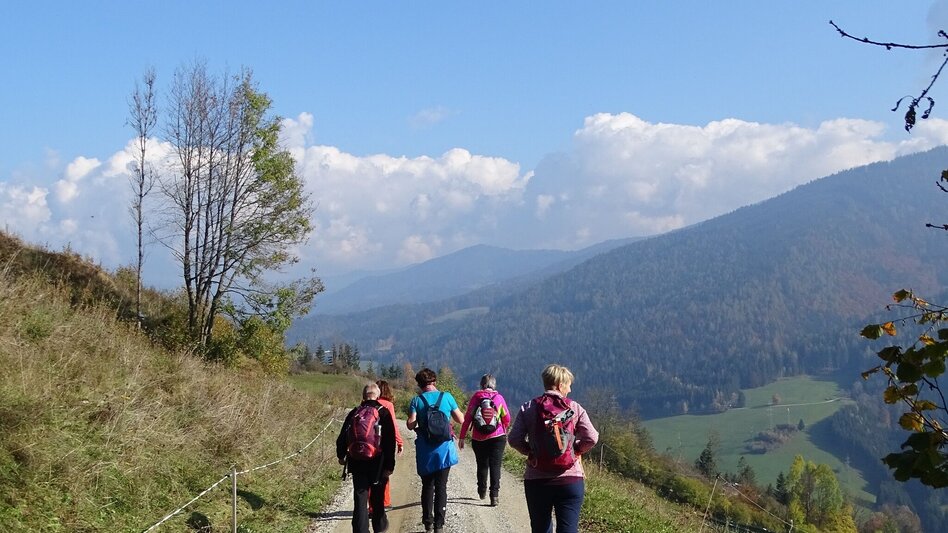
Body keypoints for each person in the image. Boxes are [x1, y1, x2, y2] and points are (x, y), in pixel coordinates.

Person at [509, 364, 599, 533]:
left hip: (537, 480)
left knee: (541, 528)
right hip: (570, 480)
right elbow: (592, 437)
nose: (570, 389)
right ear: (560, 385)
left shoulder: (528, 408)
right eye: (569, 385)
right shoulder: (574, 408)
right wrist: (576, 450)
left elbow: (513, 439)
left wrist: (530, 451)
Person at [406, 368, 465, 533]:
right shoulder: (446, 397)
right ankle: (439, 524)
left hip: (425, 450)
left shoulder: (416, 401)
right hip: (444, 449)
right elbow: (460, 418)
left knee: (427, 486)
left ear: (419, 384)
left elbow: (411, 424)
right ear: (434, 381)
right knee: (441, 486)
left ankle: (428, 522)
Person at [336, 383, 397, 533]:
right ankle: (380, 527)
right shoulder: (383, 412)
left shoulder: (355, 412)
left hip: (357, 461)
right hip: (378, 462)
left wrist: (341, 455)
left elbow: (342, 437)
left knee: (360, 497)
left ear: (363, 396)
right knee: (377, 496)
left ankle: (360, 530)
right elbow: (390, 441)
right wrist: (390, 465)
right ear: (378, 396)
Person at [458, 373, 511, 506]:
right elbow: (507, 418)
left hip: (478, 438)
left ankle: (481, 490)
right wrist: (503, 427)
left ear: (481, 385)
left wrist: (462, 437)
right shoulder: (499, 398)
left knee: (482, 465)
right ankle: (494, 496)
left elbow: (467, 419)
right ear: (494, 385)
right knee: (495, 466)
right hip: (498, 437)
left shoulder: (476, 398)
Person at [370, 380, 403, 511]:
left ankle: (371, 507)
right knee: (384, 474)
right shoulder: (388, 405)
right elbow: (394, 425)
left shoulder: (369, 404)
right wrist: (399, 442)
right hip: (384, 444)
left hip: (370, 444)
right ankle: (385, 503)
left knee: (371, 475)